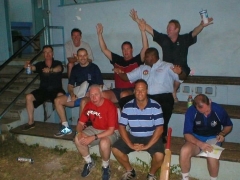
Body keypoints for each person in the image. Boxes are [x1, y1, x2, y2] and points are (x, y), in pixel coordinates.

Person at [130, 9, 214, 102]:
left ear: (176, 29)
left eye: (170, 28)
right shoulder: (164, 39)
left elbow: (194, 32)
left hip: (181, 69)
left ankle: (173, 91)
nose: (167, 30)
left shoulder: (184, 39)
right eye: (167, 28)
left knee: (180, 72)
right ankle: (161, 95)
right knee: (160, 73)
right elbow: (150, 30)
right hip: (166, 69)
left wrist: (202, 25)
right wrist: (137, 20)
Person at [78, 21, 148, 117]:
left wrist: (143, 31)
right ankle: (96, 120)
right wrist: (99, 34)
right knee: (100, 95)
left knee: (124, 95)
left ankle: (126, 121)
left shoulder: (137, 60)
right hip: (117, 90)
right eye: (124, 49)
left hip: (131, 90)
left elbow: (145, 48)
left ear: (132, 50)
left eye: (128, 49)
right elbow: (104, 49)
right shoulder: (117, 60)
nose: (126, 51)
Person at [115, 47, 181, 142]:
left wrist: (180, 72)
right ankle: (134, 129)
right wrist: (119, 72)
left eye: (146, 57)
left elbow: (180, 76)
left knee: (165, 106)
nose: (144, 59)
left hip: (163, 96)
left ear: (152, 57)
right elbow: (127, 77)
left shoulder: (166, 66)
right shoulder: (142, 68)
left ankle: (160, 135)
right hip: (146, 96)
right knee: (123, 101)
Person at [112, 79, 165, 180]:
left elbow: (159, 129)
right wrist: (130, 144)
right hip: (133, 135)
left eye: (143, 90)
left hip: (151, 135)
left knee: (159, 156)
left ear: (147, 91)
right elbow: (121, 127)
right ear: (134, 91)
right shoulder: (127, 106)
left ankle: (151, 174)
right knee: (115, 149)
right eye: (137, 90)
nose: (140, 93)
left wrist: (146, 147)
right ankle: (130, 171)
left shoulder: (156, 106)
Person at [179, 94, 233, 180]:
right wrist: (200, 144)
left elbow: (228, 126)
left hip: (213, 138)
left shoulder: (218, 109)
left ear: (210, 102)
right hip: (196, 138)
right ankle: (185, 178)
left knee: (212, 155)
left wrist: (222, 134)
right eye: (202, 112)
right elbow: (187, 134)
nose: (206, 113)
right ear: (196, 107)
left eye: (207, 110)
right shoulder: (191, 111)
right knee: (184, 151)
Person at [54, 48, 103, 137]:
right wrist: (72, 94)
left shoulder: (94, 67)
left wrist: (92, 92)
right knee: (57, 100)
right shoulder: (75, 68)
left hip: (89, 95)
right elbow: (70, 85)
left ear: (87, 56)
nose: (83, 57)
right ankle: (65, 127)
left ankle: (79, 131)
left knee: (83, 101)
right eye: (80, 56)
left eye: (84, 55)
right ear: (77, 57)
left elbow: (101, 85)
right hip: (78, 93)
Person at [74, 84, 119, 180]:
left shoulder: (110, 106)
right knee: (77, 139)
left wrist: (93, 137)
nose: (93, 98)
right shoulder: (89, 105)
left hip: (111, 131)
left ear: (101, 94)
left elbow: (111, 130)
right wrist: (79, 133)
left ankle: (105, 166)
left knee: (104, 142)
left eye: (96, 94)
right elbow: (80, 123)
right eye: (91, 95)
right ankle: (89, 162)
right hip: (95, 128)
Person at [22, 45, 65, 131]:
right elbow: (33, 68)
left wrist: (51, 70)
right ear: (43, 54)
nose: (47, 54)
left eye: (49, 52)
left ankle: (63, 122)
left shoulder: (57, 63)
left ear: (52, 53)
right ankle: (31, 122)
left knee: (60, 96)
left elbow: (59, 69)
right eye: (45, 52)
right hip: (43, 90)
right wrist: (28, 66)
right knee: (28, 97)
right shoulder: (40, 64)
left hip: (56, 89)